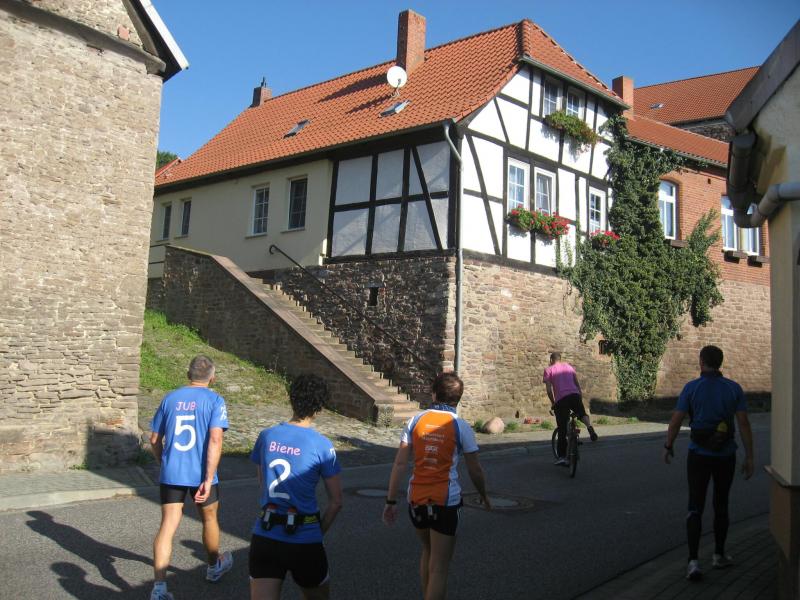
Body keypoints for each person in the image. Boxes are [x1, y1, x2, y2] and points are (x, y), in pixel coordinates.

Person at [383, 372, 491, 600]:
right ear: (458, 399)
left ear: (433, 394)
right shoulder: (461, 426)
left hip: (416, 500)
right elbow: (475, 470)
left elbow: (400, 463)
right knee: (440, 567)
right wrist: (483, 495)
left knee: (428, 550)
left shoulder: (415, 421)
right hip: (446, 502)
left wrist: (390, 500)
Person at [663, 345, 754, 582]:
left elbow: (676, 420)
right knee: (721, 504)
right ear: (720, 363)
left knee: (695, 506)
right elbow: (743, 423)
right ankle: (719, 555)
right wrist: (750, 456)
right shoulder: (733, 388)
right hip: (725, 455)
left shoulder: (691, 388)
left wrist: (668, 445)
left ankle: (693, 561)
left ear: (701, 362)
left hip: (699, 454)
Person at [249, 374, 343, 600]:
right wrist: (318, 532)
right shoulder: (322, 445)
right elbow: (336, 502)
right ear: (320, 407)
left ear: (291, 398)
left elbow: (262, 482)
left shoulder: (266, 436)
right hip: (305, 536)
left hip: (266, 534)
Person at [149, 355, 233, 600]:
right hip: (201, 474)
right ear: (212, 378)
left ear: (188, 374)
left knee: (167, 525)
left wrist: (163, 462)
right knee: (209, 519)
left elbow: (154, 439)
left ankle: (159, 588)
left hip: (172, 472)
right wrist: (208, 477)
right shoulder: (215, 400)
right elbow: (216, 439)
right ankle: (213, 567)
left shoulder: (170, 398)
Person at [543, 352, 598, 466]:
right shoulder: (569, 367)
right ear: (560, 359)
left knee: (562, 429)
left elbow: (548, 390)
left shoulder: (548, 370)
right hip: (575, 395)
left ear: (551, 360)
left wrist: (553, 403)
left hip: (562, 399)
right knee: (581, 413)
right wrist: (579, 396)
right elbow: (577, 384)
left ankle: (562, 457)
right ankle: (589, 427)